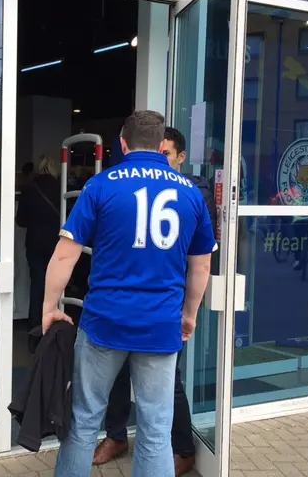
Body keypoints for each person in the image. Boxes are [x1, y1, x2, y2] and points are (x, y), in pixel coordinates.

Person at [43, 111, 216, 477]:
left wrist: (48, 308)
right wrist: (189, 314)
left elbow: (64, 255)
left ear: (123, 143)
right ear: (160, 145)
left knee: (84, 422)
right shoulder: (190, 194)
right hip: (160, 325)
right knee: (155, 430)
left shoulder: (101, 185)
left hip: (105, 322)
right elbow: (200, 267)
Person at [94, 127, 217, 476]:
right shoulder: (129, 186)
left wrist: (190, 307)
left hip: (168, 309)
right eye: (156, 151)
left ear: (180, 158)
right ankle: (116, 436)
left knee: (169, 383)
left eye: (166, 154)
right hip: (125, 305)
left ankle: (182, 449)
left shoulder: (193, 193)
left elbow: (201, 257)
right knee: (117, 374)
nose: (158, 160)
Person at [16, 154, 61, 347]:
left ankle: (34, 333)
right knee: (57, 287)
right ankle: (54, 332)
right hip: (57, 243)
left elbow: (21, 221)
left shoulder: (29, 188)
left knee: (37, 287)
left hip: (34, 243)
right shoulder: (62, 188)